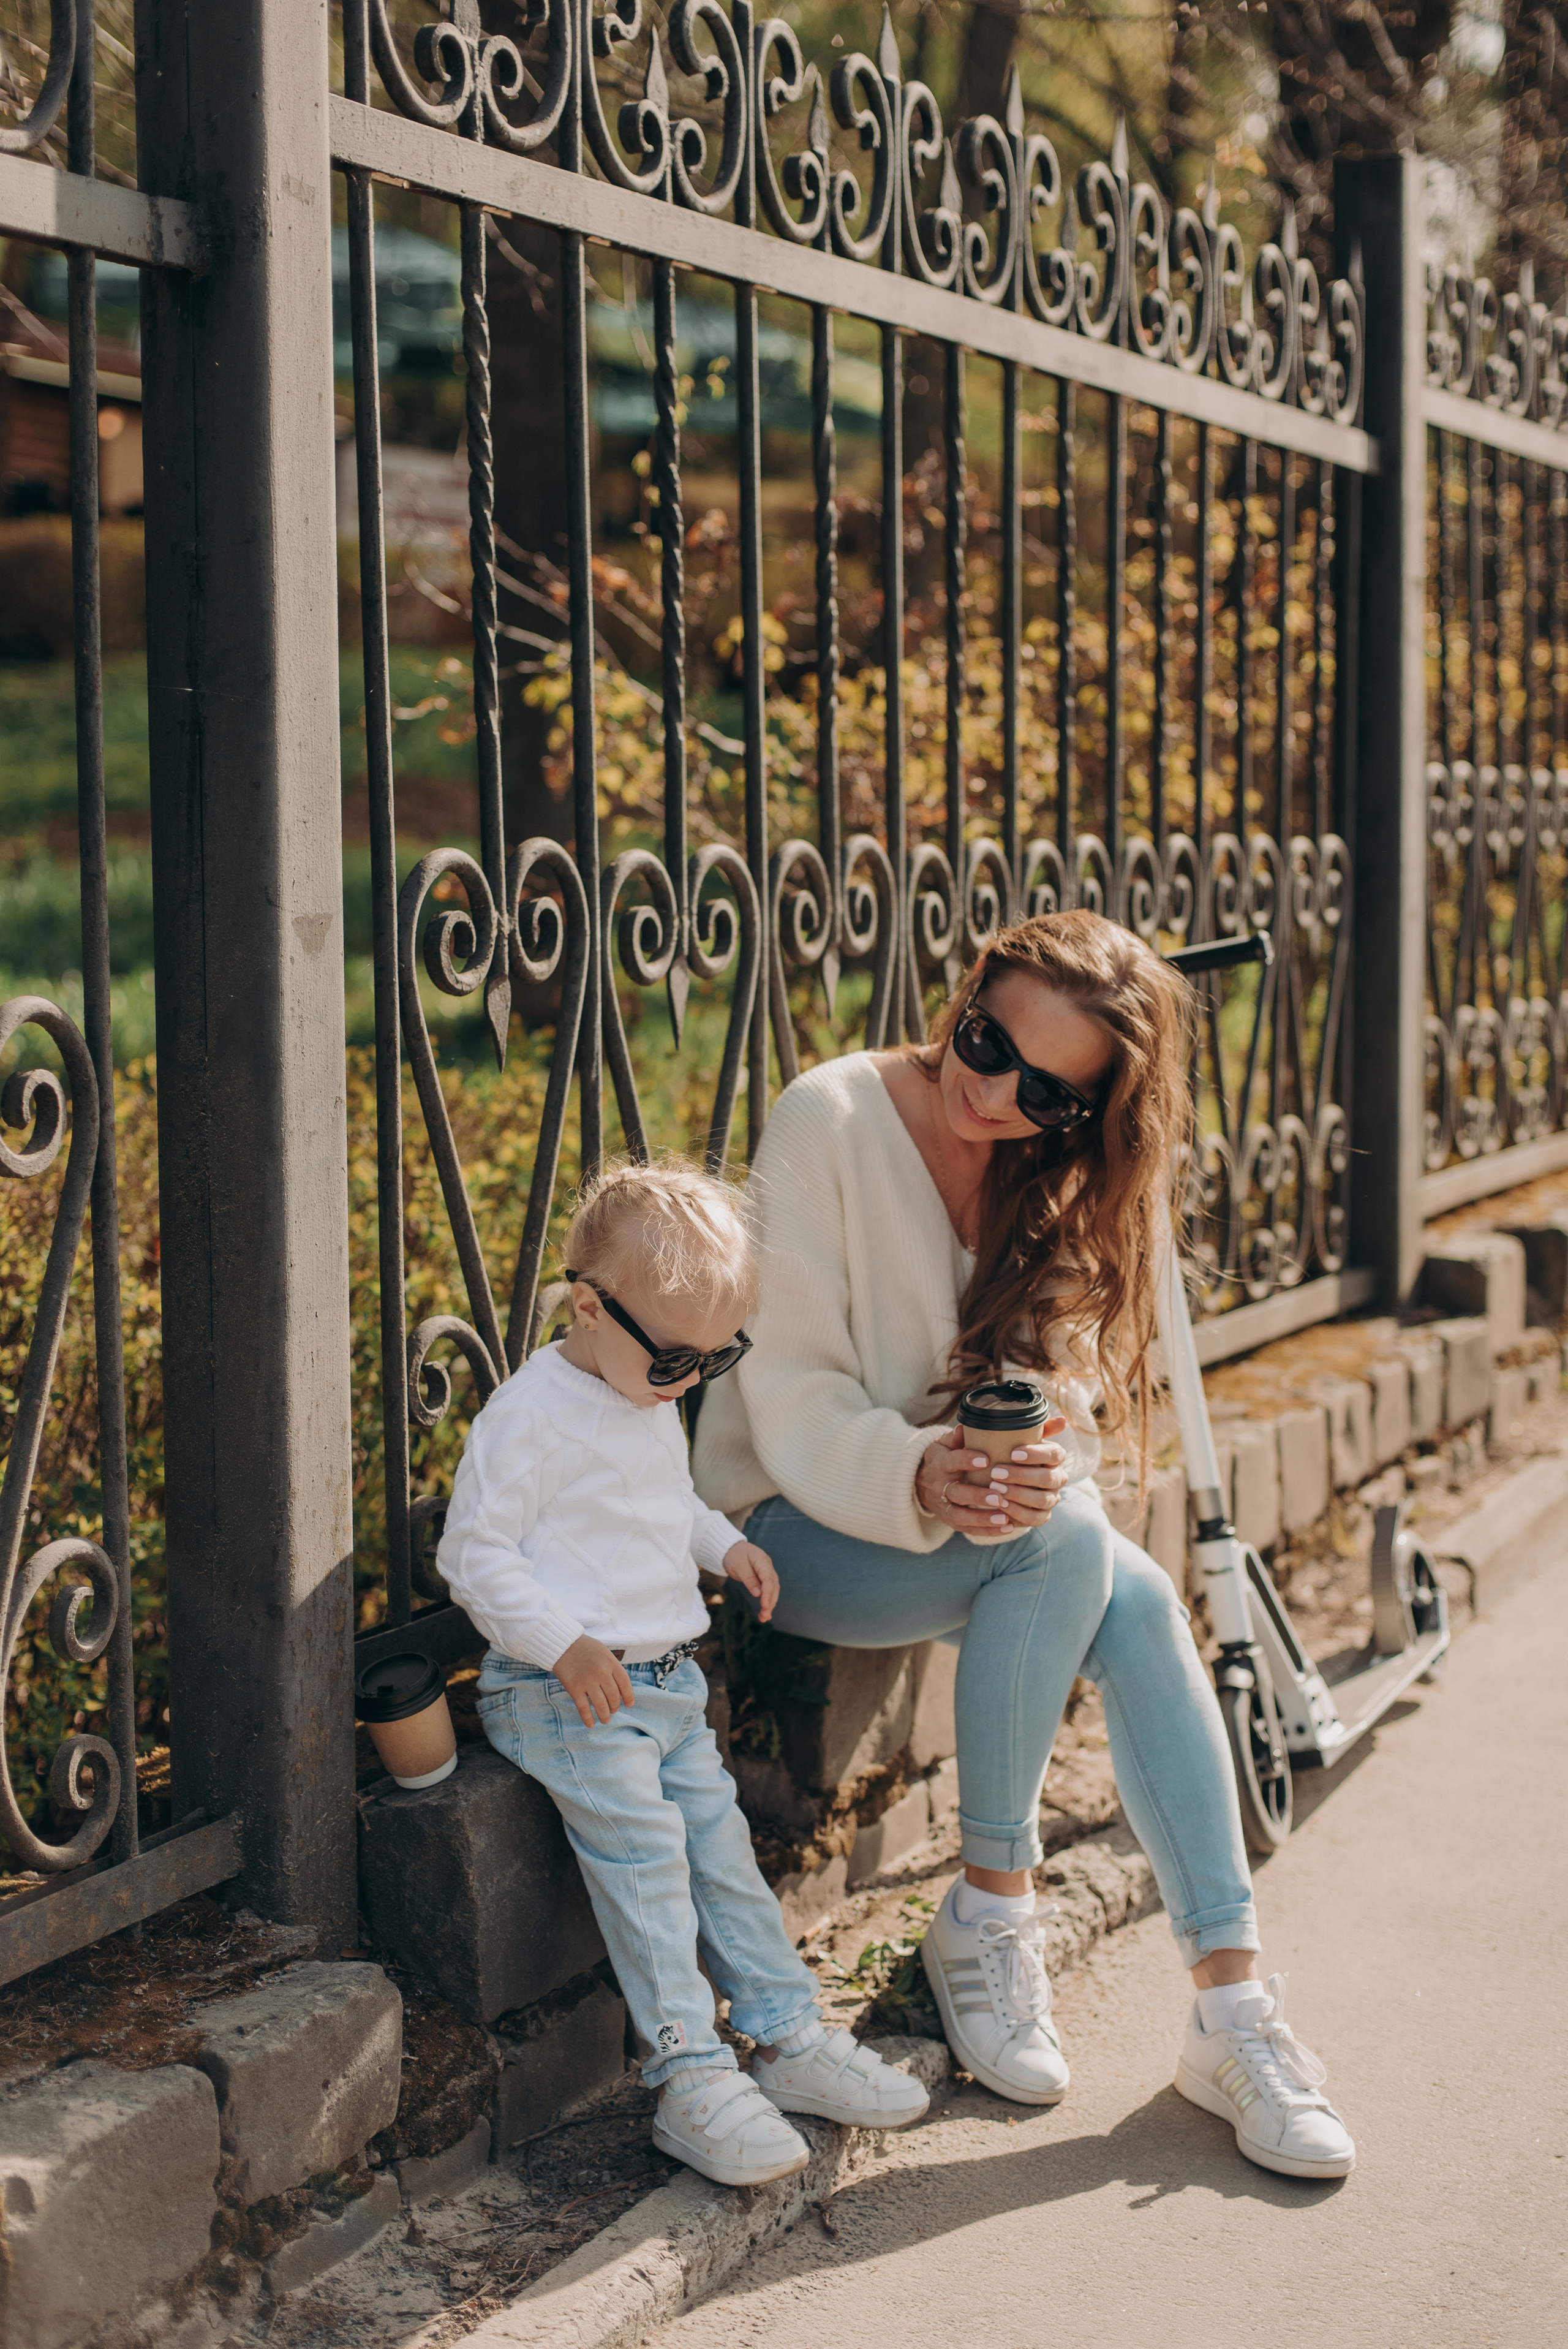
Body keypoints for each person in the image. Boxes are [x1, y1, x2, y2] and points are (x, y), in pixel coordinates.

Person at [693, 910, 1355, 2182]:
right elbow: (786, 1392)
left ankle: (1228, 2006)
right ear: (967, 991)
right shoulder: (828, 1117)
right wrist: (924, 1470)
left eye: (1043, 1091)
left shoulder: (1044, 1174)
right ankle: (992, 1915)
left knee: (1132, 1592)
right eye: (983, 1038)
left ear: (1084, 1113)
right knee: (1076, 1549)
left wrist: (1027, 1448)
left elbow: (1060, 1390)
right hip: (788, 1527)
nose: (988, 1090)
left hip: (976, 1527)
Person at [436, 1158, 929, 2190]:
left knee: (720, 1849)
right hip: (569, 1689)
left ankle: (786, 2032)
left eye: (717, 1358)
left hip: (664, 1685)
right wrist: (562, 1643)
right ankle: (688, 2073)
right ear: (589, 1305)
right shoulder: (532, 1416)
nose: (692, 1382)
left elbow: (660, 1505)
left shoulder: (645, 1384)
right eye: (677, 1361)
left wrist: (719, 1542)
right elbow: (474, 1553)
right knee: (650, 1862)